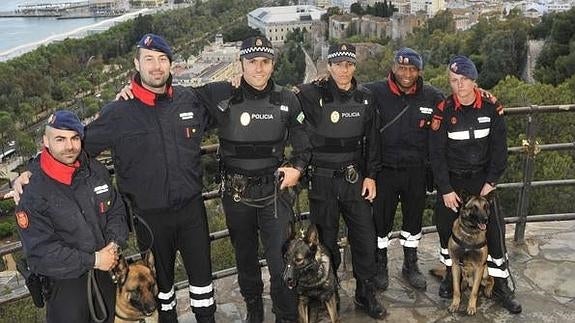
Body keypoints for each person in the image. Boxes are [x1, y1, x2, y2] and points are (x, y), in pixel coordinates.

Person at [8, 34, 217, 323]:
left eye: (162, 59)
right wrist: (31, 169)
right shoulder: (119, 112)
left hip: (193, 212)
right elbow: (75, 146)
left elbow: (226, 103)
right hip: (150, 218)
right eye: (149, 59)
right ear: (137, 64)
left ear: (171, 63)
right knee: (161, 293)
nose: (156, 66)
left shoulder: (189, 99)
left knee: (204, 288)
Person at [198, 35, 310, 323]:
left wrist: (297, 167)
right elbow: (174, 96)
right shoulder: (222, 94)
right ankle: (254, 310)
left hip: (275, 194)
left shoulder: (287, 99)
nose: (258, 68)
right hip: (237, 197)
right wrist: (133, 87)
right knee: (245, 259)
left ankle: (285, 315)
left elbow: (303, 143)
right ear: (241, 64)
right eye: (252, 62)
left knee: (281, 261)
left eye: (264, 62)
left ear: (273, 65)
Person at [294, 43, 386, 319]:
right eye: (338, 64)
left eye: (348, 64)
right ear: (329, 67)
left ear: (354, 67)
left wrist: (371, 175)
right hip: (321, 180)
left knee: (364, 238)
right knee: (325, 242)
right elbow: (281, 100)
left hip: (354, 179)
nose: (344, 70)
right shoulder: (312, 94)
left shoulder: (366, 98)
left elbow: (373, 142)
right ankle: (327, 296)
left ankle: (365, 293)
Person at [15, 110, 128, 323]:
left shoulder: (95, 171)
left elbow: (117, 211)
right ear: (46, 142)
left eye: (75, 138)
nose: (69, 146)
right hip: (65, 286)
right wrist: (94, 260)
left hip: (104, 274)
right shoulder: (32, 192)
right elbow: (42, 253)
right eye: (60, 139)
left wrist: (113, 245)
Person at [429, 55, 522, 314]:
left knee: (494, 233)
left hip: (482, 180)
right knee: (446, 230)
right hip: (453, 181)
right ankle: (450, 275)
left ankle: (501, 285)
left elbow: (499, 150)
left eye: (463, 80)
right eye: (453, 81)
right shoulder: (444, 110)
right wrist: (445, 188)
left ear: (473, 80)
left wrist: (491, 181)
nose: (458, 86)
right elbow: (435, 154)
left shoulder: (491, 107)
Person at [364, 48, 444, 291]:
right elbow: (347, 91)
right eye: (402, 68)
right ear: (393, 67)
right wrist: (321, 83)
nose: (406, 74)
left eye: (412, 69)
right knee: (381, 221)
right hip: (384, 170)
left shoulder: (432, 96)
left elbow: (455, 107)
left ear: (419, 71)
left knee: (413, 220)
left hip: (416, 171)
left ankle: (410, 263)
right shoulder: (374, 91)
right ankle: (380, 264)